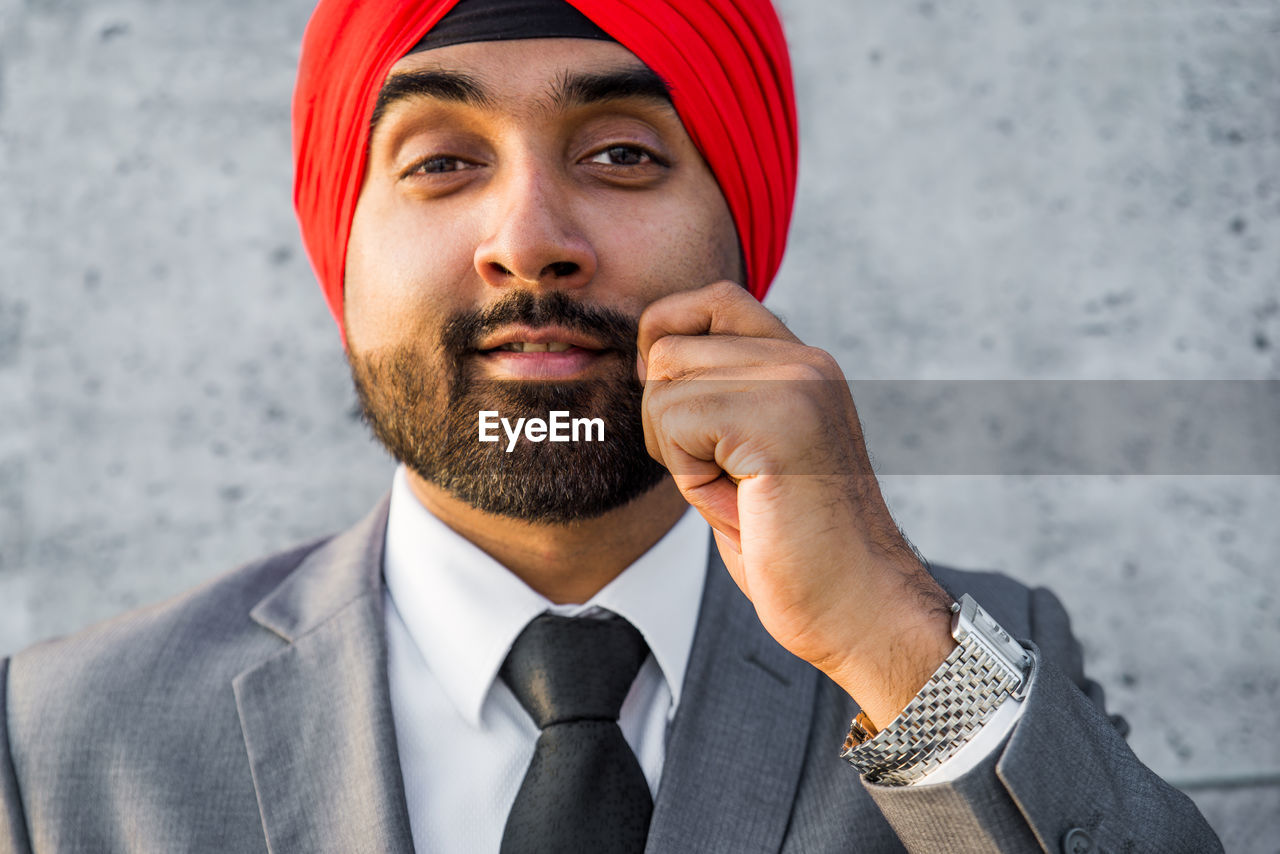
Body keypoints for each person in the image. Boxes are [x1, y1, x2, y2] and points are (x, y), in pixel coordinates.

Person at [0, 0, 1222, 852]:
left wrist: (885, 633)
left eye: (624, 153)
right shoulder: (67, 739)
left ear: (744, 234)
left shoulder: (954, 654)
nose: (528, 236)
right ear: (339, 252)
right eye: (438, 163)